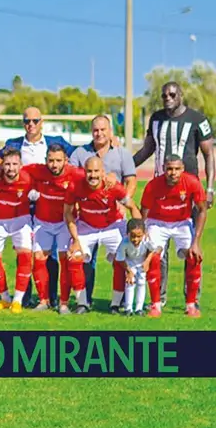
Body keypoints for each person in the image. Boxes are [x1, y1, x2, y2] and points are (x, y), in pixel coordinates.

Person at [134, 81, 214, 305]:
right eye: (164, 95)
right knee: (158, 248)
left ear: (181, 95)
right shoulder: (156, 118)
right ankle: (158, 298)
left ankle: (192, 300)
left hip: (190, 192)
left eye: (172, 94)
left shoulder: (198, 119)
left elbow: (209, 155)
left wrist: (209, 188)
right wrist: (127, 168)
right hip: (160, 191)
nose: (167, 98)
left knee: (192, 247)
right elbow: (148, 149)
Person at [0, 106, 75, 306]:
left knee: (52, 255)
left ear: (42, 121)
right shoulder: (13, 143)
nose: (30, 124)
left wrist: (111, 144)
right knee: (25, 252)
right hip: (22, 205)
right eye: (27, 121)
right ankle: (27, 295)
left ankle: (52, 296)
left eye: (35, 121)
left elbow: (80, 154)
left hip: (47, 205)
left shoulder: (56, 142)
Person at [69, 114, 137, 311]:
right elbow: (72, 174)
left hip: (114, 215)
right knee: (84, 261)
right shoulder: (80, 152)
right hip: (88, 218)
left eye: (103, 130)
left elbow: (131, 180)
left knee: (121, 259)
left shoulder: (122, 153)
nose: (99, 133)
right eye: (95, 130)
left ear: (110, 132)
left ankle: (121, 301)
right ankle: (84, 300)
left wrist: (123, 202)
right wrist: (98, 174)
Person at [63, 157, 140, 315]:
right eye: (89, 171)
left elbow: (132, 207)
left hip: (112, 226)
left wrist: (140, 231)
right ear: (84, 172)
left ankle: (116, 305)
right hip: (86, 226)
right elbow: (67, 214)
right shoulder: (75, 186)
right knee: (74, 256)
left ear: (103, 172)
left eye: (96, 171)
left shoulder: (113, 187)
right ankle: (82, 303)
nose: (93, 175)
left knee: (121, 260)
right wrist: (76, 240)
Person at [140, 155, 208, 318]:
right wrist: (144, 231)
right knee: (154, 257)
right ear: (164, 169)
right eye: (169, 169)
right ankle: (156, 304)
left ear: (183, 169)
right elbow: (144, 209)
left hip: (181, 222)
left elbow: (202, 210)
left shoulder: (191, 182)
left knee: (194, 256)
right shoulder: (154, 185)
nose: (173, 173)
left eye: (177, 169)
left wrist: (196, 241)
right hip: (157, 222)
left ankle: (191, 305)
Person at [22, 144, 82, 312]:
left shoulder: (75, 173)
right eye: (50, 161)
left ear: (66, 161)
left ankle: (63, 303)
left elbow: (95, 176)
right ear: (45, 160)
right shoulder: (38, 170)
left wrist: (110, 178)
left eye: (58, 161)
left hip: (65, 223)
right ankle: (43, 300)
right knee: (39, 259)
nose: (54, 165)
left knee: (65, 261)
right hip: (42, 222)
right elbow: (16, 169)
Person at [0, 148, 35, 313]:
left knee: (26, 256)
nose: (11, 168)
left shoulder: (28, 179)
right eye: (7, 164)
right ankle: (5, 299)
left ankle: (18, 301)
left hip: (20, 220)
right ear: (1, 165)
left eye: (14, 164)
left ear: (20, 165)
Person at [114, 219, 156, 316]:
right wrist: (128, 271)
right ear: (127, 233)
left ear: (144, 234)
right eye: (132, 236)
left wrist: (147, 261)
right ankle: (128, 308)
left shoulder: (146, 240)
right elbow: (120, 258)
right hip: (129, 264)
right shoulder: (124, 243)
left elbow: (152, 250)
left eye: (139, 236)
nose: (136, 239)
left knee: (141, 283)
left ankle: (139, 308)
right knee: (130, 283)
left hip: (141, 263)